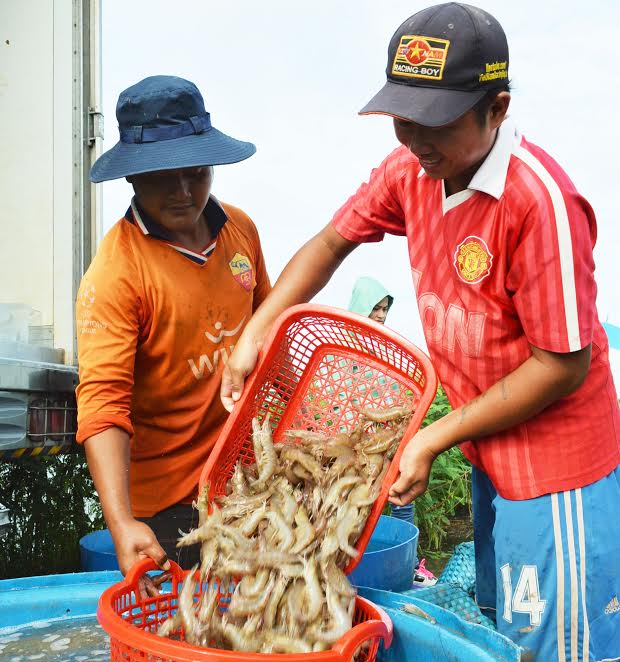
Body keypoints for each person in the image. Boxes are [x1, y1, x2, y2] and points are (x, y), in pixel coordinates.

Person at [220, 4, 620, 659]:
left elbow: (561, 365)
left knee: (560, 642)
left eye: (437, 121)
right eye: (404, 121)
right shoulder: (411, 172)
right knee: (507, 626)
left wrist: (434, 434)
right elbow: (330, 242)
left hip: (557, 470)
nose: (415, 139)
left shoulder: (538, 201)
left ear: (497, 108)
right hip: (490, 449)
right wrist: (260, 328)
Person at [75, 75, 271, 594]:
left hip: (247, 483)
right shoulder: (117, 273)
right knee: (191, 632)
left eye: (197, 172)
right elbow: (102, 406)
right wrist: (121, 524)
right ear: (133, 178)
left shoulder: (240, 231)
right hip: (168, 508)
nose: (185, 192)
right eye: (165, 177)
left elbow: (269, 322)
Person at [348, 275, 437, 587]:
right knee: (359, 508)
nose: (381, 315)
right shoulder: (347, 351)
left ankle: (408, 563)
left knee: (401, 502)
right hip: (357, 448)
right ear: (360, 307)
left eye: (385, 308)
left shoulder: (388, 349)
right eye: (375, 308)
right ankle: (351, 564)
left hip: (390, 443)